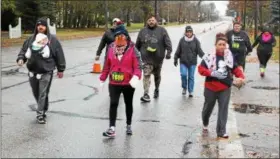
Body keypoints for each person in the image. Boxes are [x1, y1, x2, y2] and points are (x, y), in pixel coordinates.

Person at [16, 18, 66, 124]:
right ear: (36, 27)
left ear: (46, 27)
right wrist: (21, 58)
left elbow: (59, 55)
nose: (40, 27)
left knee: (42, 93)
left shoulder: (52, 40)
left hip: (46, 71)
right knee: (36, 93)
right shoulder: (30, 39)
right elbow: (24, 50)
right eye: (38, 25)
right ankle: (44, 107)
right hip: (33, 71)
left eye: (42, 25)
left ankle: (40, 114)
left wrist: (61, 69)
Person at [198, 33, 245, 139]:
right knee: (207, 108)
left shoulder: (229, 56)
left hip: (225, 87)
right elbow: (200, 69)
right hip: (210, 87)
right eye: (220, 44)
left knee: (223, 109)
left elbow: (235, 69)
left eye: (224, 44)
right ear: (215, 45)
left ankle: (221, 131)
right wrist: (211, 73)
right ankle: (205, 122)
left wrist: (241, 77)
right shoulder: (209, 56)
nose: (222, 46)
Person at [99, 25, 142, 138]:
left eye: (122, 36)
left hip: (128, 83)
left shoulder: (133, 49)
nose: (119, 38)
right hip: (114, 82)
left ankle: (128, 125)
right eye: (117, 36)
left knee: (128, 104)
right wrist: (102, 79)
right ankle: (112, 128)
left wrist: (136, 77)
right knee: (113, 103)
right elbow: (106, 66)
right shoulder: (110, 48)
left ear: (126, 37)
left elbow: (138, 66)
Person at [136, 15, 172, 102]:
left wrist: (169, 52)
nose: (151, 22)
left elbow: (168, 42)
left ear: (156, 21)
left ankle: (156, 89)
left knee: (157, 76)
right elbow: (137, 45)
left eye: (152, 20)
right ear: (147, 22)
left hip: (158, 58)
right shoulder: (142, 31)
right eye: (149, 20)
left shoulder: (162, 30)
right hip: (146, 58)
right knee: (146, 75)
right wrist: (135, 56)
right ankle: (146, 94)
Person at [174, 26, 205, 97]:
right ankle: (184, 87)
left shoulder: (196, 41)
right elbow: (178, 50)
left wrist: (205, 58)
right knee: (183, 75)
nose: (188, 33)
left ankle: (190, 91)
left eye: (190, 32)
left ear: (192, 32)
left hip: (192, 62)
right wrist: (175, 58)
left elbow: (200, 51)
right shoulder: (182, 40)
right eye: (187, 32)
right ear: (185, 32)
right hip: (183, 61)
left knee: (191, 76)